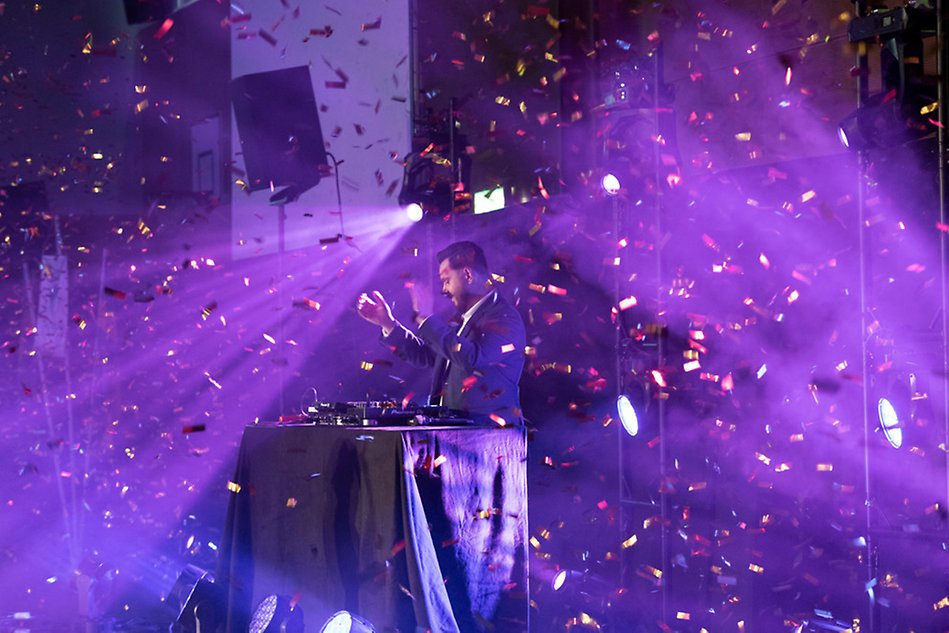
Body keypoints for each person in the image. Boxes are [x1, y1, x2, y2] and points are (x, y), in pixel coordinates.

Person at [356, 241, 526, 426]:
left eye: (447, 281)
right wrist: (387, 323)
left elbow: (474, 359)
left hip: (491, 437)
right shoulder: (460, 320)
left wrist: (427, 318)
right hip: (458, 434)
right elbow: (428, 356)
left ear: (467, 275)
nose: (443, 289)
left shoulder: (504, 316)